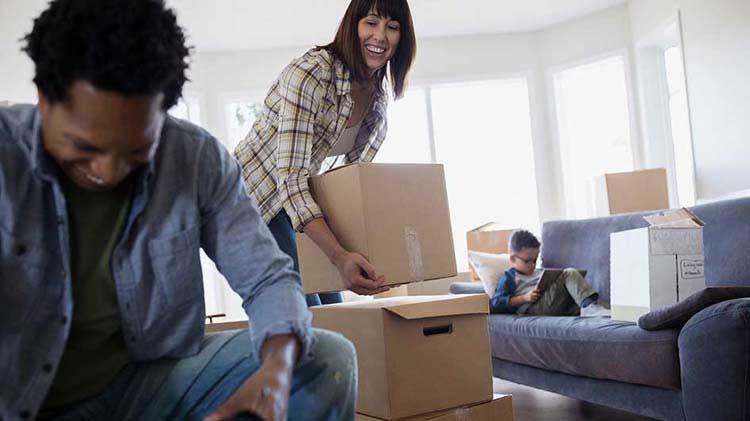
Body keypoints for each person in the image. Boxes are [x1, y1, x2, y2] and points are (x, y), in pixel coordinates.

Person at [0, 1, 355, 420]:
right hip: (26, 399)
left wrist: (275, 375)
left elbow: (268, 279)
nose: (108, 172)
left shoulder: (195, 158)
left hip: (143, 383)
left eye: (136, 150)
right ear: (43, 100)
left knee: (326, 360)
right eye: (85, 148)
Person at [234, 0, 417, 306]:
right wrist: (338, 255)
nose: (380, 36)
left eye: (392, 27)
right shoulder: (311, 74)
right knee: (309, 314)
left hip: (301, 205)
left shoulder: (376, 101)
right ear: (353, 25)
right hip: (254, 203)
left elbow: (349, 186)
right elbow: (290, 178)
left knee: (336, 311)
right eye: (371, 23)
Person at [490, 230, 609, 316]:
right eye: (527, 261)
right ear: (512, 259)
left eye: (535, 260)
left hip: (555, 305)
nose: (532, 264)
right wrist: (524, 298)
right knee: (569, 273)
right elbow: (496, 302)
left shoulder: (539, 271)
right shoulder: (510, 277)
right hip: (534, 309)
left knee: (579, 303)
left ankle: (599, 309)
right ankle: (590, 308)